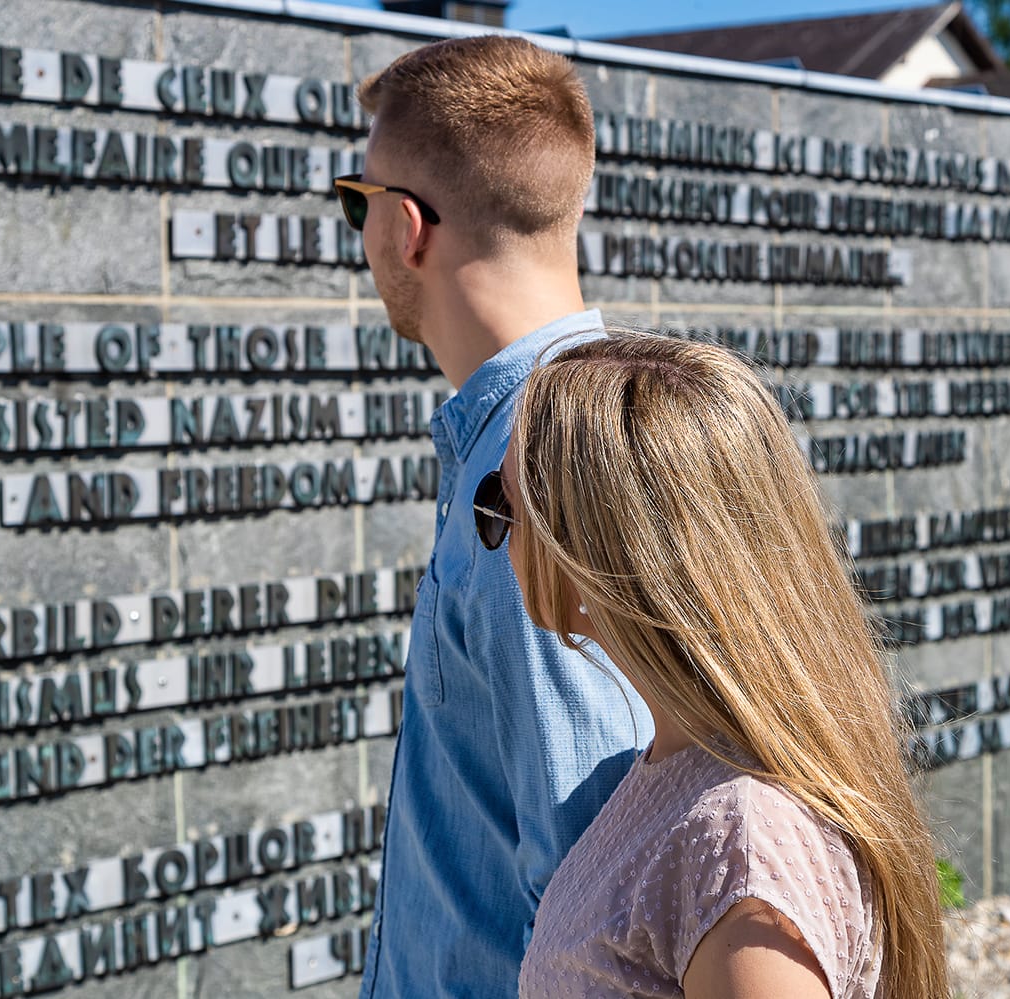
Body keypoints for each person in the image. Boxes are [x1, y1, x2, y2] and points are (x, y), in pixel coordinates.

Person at [486, 332, 951, 998]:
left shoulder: (741, 842)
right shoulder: (689, 778)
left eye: (505, 506)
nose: (498, 537)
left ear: (588, 547)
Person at [333, 35, 652, 999]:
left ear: (406, 226)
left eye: (356, 201)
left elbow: (602, 913)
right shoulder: (582, 427)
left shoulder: (535, 467)